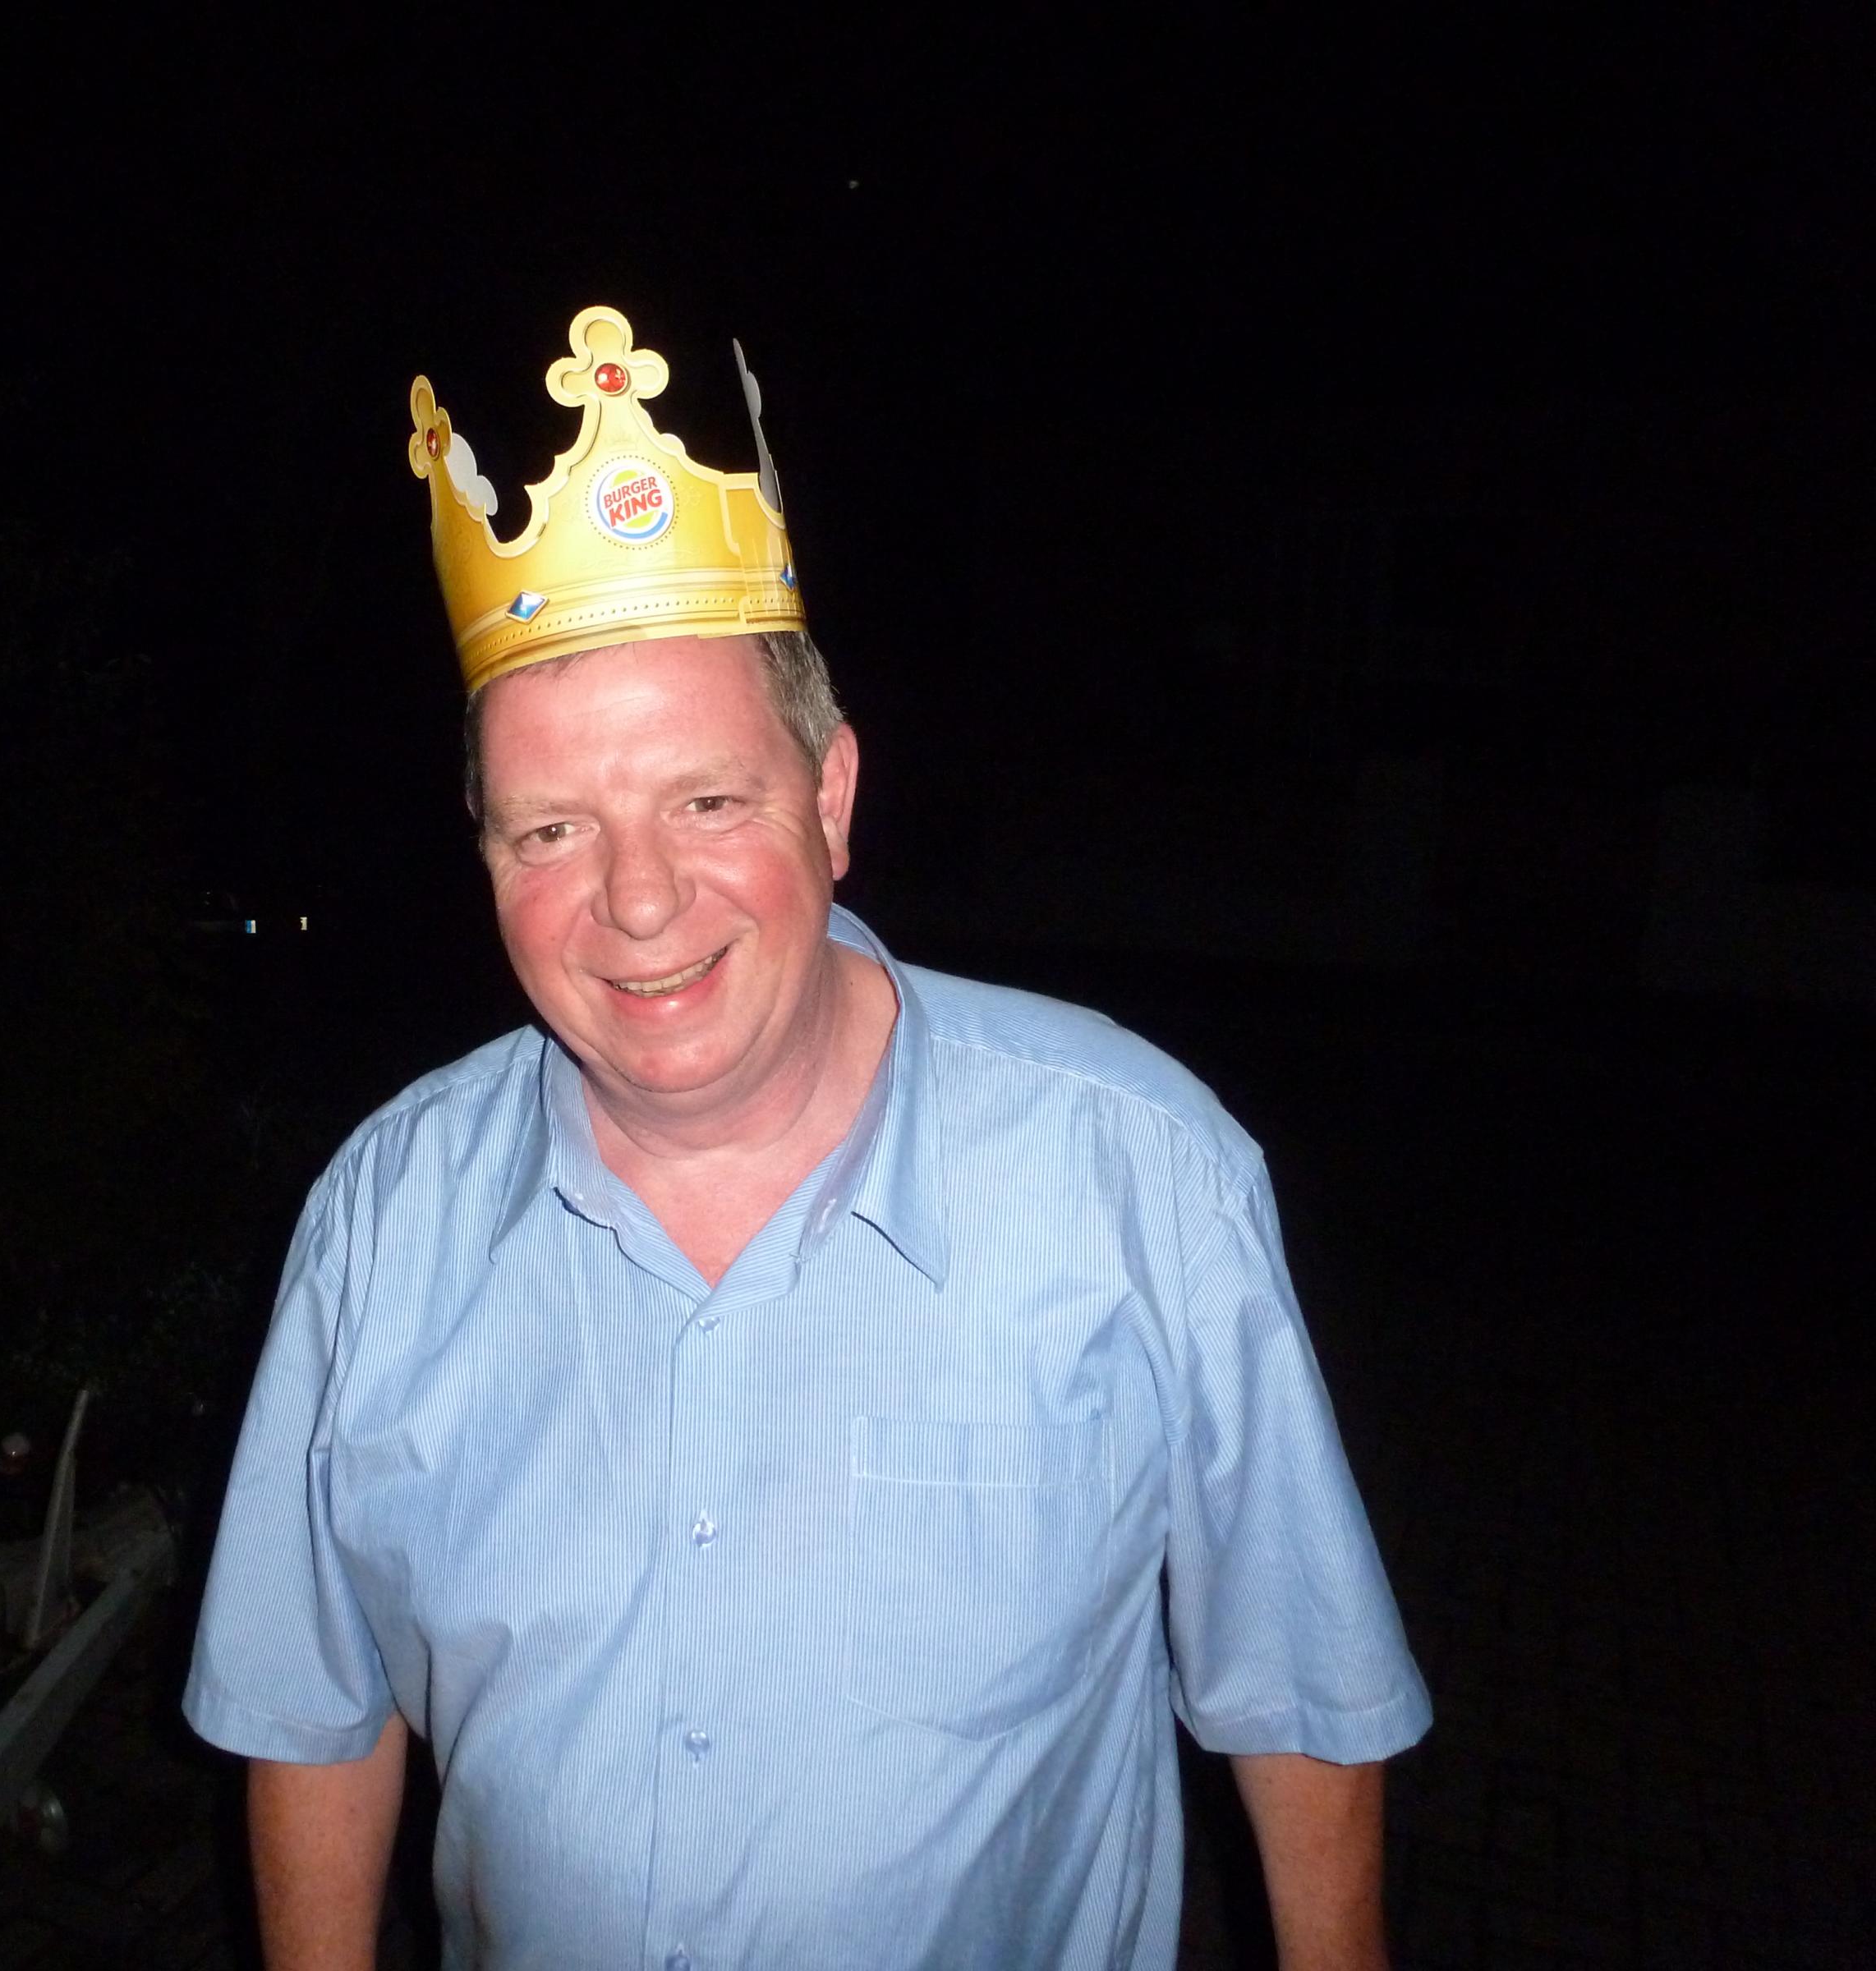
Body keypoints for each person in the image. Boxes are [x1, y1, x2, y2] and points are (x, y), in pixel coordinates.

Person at [184, 306, 1429, 1970]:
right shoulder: (382, 1216)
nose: (637, 902)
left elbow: (1299, 1694)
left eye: (707, 802)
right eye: (551, 831)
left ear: (831, 799)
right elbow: (312, 1708)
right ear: (482, 851)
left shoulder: (1142, 1177)